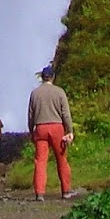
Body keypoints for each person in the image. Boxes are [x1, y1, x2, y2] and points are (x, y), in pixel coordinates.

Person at [27, 65, 77, 201]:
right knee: (61, 159)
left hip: (40, 128)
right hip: (56, 127)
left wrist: (31, 130)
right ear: (53, 77)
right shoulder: (59, 92)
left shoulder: (35, 93)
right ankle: (66, 191)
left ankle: (39, 193)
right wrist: (70, 130)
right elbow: (65, 114)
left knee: (40, 161)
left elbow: (30, 115)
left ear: (42, 78)